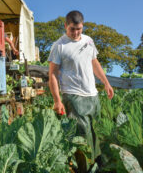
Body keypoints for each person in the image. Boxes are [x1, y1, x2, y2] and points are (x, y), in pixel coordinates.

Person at [48, 10, 114, 168]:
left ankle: (98, 168)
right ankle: (84, 169)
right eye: (72, 29)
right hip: (73, 96)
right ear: (65, 26)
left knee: (97, 135)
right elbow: (52, 75)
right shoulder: (59, 46)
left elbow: (94, 62)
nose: (76, 33)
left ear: (82, 26)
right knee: (82, 139)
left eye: (79, 29)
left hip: (92, 95)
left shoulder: (89, 41)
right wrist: (57, 100)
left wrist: (106, 82)